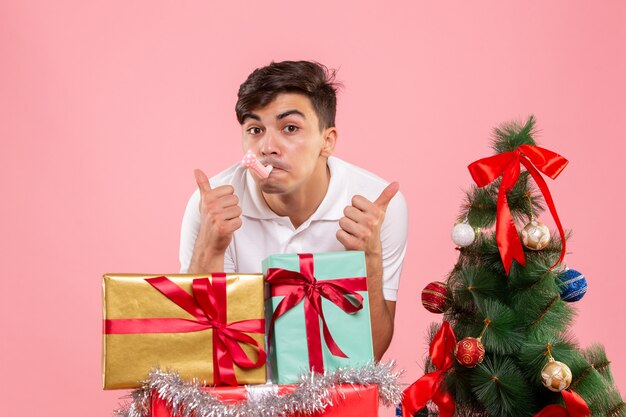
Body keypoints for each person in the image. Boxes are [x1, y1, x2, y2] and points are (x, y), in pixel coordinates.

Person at [179, 60, 408, 360]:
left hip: (331, 395)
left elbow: (372, 353)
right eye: (255, 129)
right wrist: (210, 249)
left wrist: (370, 259)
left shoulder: (376, 207)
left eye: (290, 128)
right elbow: (196, 352)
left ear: (327, 141)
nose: (267, 147)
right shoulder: (212, 206)